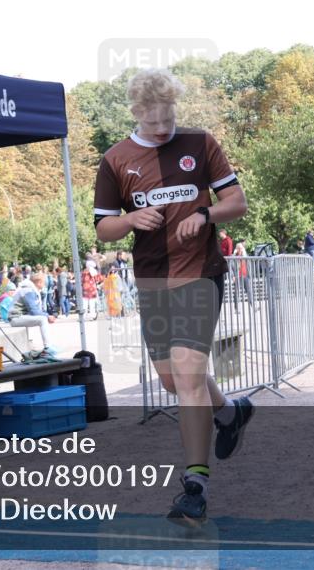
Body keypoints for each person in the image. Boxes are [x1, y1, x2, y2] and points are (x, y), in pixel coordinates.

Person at [93, 67, 253, 524]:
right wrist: (130, 222)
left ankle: (195, 487)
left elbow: (237, 203)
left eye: (169, 120)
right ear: (137, 113)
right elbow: (104, 227)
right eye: (154, 122)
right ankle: (229, 413)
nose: (163, 130)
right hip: (151, 280)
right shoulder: (115, 159)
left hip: (200, 273)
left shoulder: (200, 143)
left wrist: (205, 213)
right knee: (171, 381)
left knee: (187, 372)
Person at [8, 273, 58, 352]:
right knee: (43, 319)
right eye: (44, 282)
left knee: (43, 318)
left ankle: (38, 345)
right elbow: (34, 311)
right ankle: (47, 347)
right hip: (16, 318)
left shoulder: (29, 289)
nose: (45, 284)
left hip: (17, 316)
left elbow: (35, 309)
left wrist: (47, 315)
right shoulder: (29, 291)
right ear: (39, 282)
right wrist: (47, 316)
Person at [233, 240, 255, 306]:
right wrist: (232, 276)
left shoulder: (245, 255)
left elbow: (249, 265)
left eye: (241, 248)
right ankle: (236, 307)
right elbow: (231, 267)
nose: (240, 249)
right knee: (236, 292)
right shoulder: (233, 257)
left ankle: (252, 305)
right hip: (238, 276)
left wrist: (250, 274)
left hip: (245, 275)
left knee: (249, 291)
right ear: (236, 249)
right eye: (239, 248)